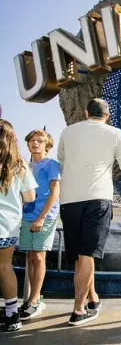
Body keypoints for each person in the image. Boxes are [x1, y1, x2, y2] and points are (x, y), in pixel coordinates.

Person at [58, 98, 121, 326]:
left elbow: (62, 162)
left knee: (81, 256)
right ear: (108, 115)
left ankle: (93, 299)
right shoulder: (114, 134)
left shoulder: (68, 132)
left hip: (70, 199)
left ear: (85, 112)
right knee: (87, 254)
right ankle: (78, 310)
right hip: (97, 200)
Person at [17, 130, 60, 320]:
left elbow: (54, 191)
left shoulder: (51, 164)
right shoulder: (26, 165)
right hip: (27, 215)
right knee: (30, 255)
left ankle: (35, 300)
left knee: (40, 257)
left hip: (44, 216)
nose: (35, 143)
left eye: (40, 141)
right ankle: (31, 298)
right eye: (32, 140)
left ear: (47, 145)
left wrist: (41, 218)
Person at [0, 119, 37, 332]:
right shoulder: (19, 164)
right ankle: (12, 315)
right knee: (5, 267)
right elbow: (30, 196)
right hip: (7, 225)